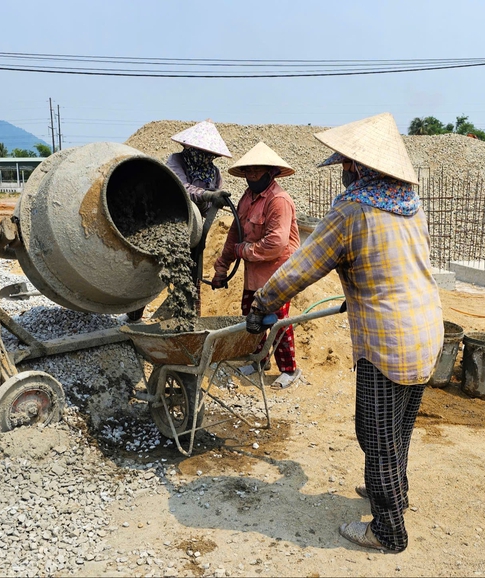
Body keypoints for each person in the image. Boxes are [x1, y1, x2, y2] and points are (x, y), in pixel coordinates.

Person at [245, 113, 443, 552]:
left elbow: (302, 265)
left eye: (345, 165)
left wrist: (262, 303)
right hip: (427, 330)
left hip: (386, 341)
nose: (343, 172)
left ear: (358, 166)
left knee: (375, 436)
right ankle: (397, 493)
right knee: (398, 428)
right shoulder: (409, 204)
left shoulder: (353, 210)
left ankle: (388, 531)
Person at [212, 142, 302, 389]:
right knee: (251, 319)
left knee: (276, 321)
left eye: (257, 171)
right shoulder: (246, 199)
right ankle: (259, 361)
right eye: (248, 171)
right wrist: (222, 267)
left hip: (277, 274)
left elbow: (275, 243)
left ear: (270, 172)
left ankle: (290, 370)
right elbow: (235, 234)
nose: (252, 176)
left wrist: (244, 250)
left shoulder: (278, 200)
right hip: (254, 274)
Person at [164, 120, 233, 317]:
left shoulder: (214, 172)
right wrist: (207, 195)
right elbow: (181, 188)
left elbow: (209, 206)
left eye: (209, 154)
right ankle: (135, 313)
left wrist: (217, 201)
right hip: (171, 219)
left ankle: (189, 315)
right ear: (189, 147)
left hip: (195, 226)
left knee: (193, 271)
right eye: (200, 151)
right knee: (155, 268)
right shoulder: (176, 161)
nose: (204, 157)